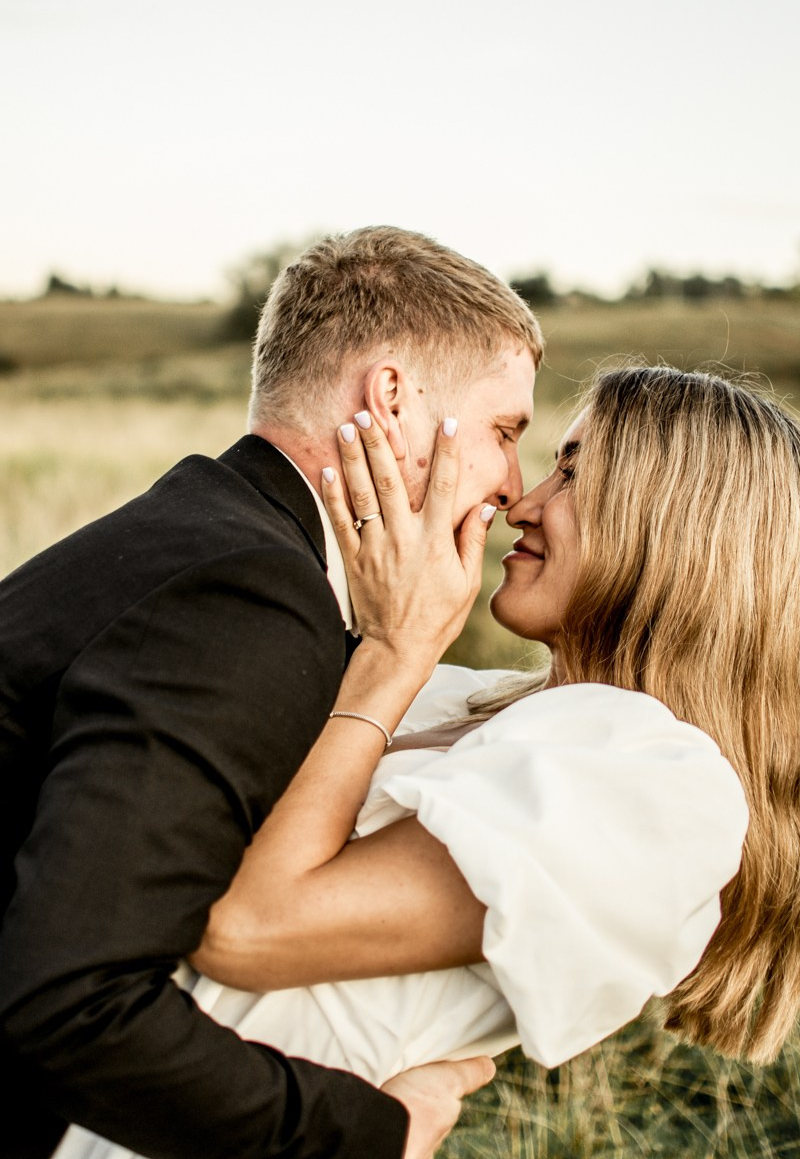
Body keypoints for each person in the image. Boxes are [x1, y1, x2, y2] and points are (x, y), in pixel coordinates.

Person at [58, 363, 797, 1159]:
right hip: (96, 1085)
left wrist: (395, 649)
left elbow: (247, 930)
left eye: (577, 474)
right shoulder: (466, 699)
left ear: (677, 529)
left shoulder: (661, 787)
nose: (525, 500)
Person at [0, 226, 543, 1159]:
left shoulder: (211, 529)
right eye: (505, 432)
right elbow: (71, 998)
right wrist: (372, 1135)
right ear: (393, 398)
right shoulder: (252, 596)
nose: (514, 486)